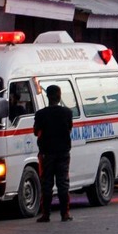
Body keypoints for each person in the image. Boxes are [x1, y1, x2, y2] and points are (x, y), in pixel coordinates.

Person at [34, 85, 73, 223]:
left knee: (47, 184)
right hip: (63, 153)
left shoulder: (40, 114)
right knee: (63, 183)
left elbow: (36, 132)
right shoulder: (67, 113)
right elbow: (69, 128)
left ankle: (46, 215)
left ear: (47, 96)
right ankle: (65, 214)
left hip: (46, 154)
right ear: (59, 95)